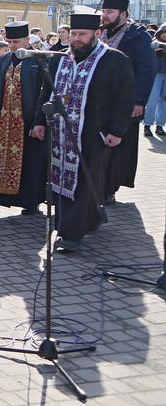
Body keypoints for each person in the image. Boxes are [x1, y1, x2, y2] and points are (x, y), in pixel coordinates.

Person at [32, 13, 135, 252]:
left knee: (86, 179)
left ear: (97, 34)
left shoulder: (114, 60)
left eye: (82, 35)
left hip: (94, 132)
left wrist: (117, 130)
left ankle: (71, 235)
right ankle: (84, 221)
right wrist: (39, 121)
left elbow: (125, 98)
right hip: (60, 132)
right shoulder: (60, 60)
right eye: (74, 34)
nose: (76, 39)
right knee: (63, 180)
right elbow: (46, 91)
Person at [0, 22, 47, 215]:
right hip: (5, 121)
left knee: (30, 163)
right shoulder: (5, 59)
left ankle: (31, 203)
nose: (13, 45)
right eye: (10, 41)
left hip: (28, 121)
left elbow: (43, 93)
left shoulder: (39, 60)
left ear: (27, 40)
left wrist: (39, 120)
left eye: (17, 41)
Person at [99, 0, 155, 205]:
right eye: (104, 12)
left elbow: (146, 70)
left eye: (110, 12)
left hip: (126, 100)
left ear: (123, 14)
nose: (105, 16)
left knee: (120, 147)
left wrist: (139, 100)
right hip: (100, 100)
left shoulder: (137, 36)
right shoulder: (100, 31)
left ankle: (110, 188)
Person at [144, 27, 166, 136]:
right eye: (164, 32)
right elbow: (154, 46)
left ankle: (160, 126)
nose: (165, 35)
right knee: (152, 101)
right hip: (156, 75)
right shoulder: (155, 41)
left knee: (164, 102)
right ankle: (147, 125)